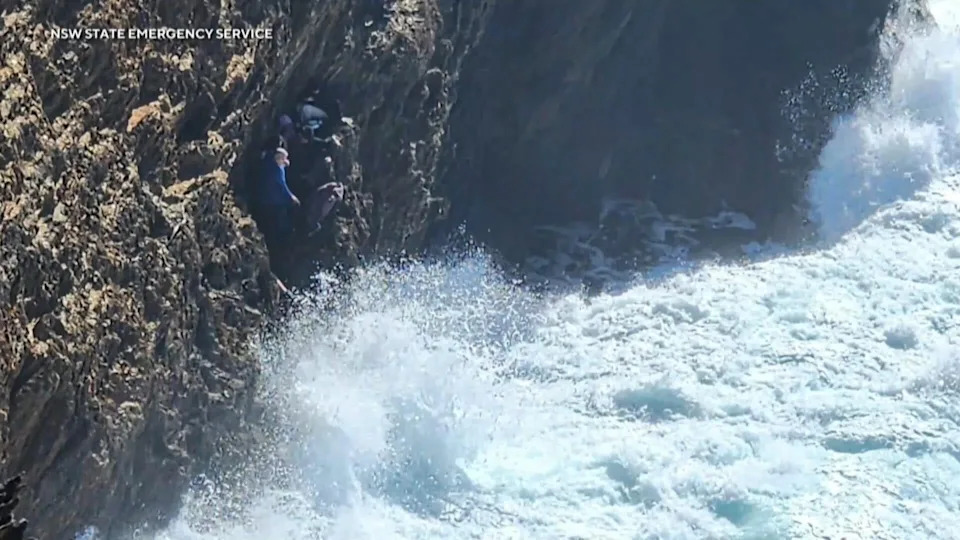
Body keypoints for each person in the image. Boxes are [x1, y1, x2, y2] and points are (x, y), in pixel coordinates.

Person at [260, 147, 300, 242]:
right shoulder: (275, 171)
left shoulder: (273, 164)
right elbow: (282, 186)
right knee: (278, 222)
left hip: (269, 198)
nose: (285, 161)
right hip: (273, 201)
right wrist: (291, 197)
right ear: (278, 158)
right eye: (283, 159)